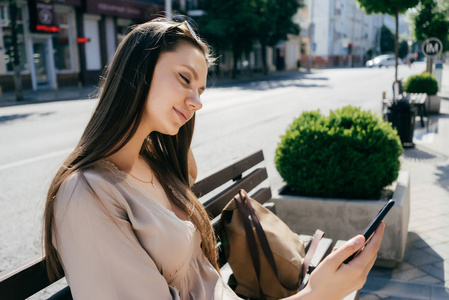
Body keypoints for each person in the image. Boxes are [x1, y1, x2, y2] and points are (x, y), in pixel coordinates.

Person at [43, 18, 385, 300]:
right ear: (137, 72)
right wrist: (315, 296)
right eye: (184, 78)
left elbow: (186, 173)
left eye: (202, 90)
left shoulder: (155, 164)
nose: (197, 101)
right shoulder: (85, 196)